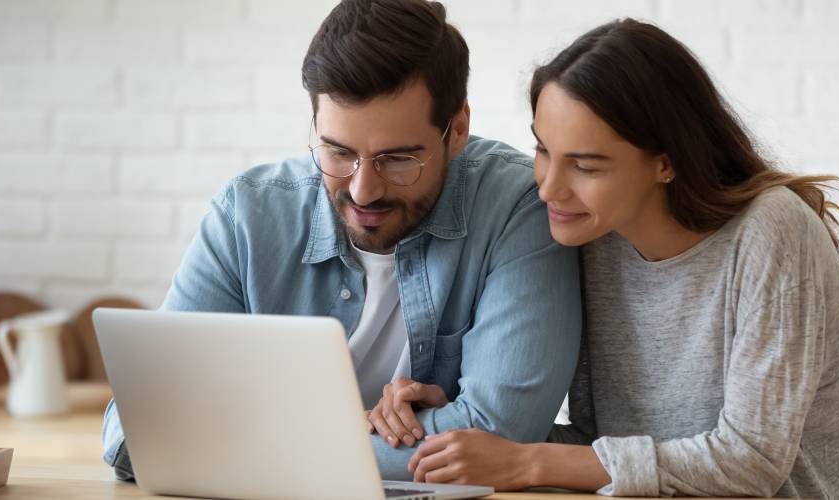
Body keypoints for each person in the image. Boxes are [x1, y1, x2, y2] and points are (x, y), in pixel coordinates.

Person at [399, 19, 839, 498]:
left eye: (586, 165)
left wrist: (529, 462)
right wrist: (466, 433)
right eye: (544, 150)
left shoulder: (771, 231)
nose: (547, 187)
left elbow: (751, 460)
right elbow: (612, 452)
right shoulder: (595, 240)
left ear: (665, 162)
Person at [101, 0, 582, 481]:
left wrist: (244, 444)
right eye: (337, 152)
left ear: (456, 129)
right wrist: (352, 434)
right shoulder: (247, 217)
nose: (363, 190)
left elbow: (501, 433)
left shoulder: (517, 208)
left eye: (397, 159)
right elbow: (134, 432)